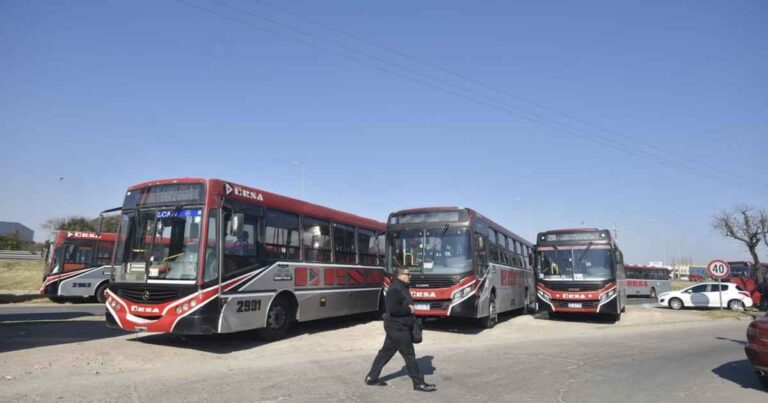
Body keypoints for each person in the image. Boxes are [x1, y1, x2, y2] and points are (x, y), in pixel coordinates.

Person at [365, 267, 436, 392]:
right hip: (397, 327)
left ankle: (371, 377)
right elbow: (392, 309)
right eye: (408, 274)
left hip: (398, 326)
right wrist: (409, 310)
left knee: (385, 353)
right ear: (400, 275)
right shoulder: (395, 289)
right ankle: (419, 383)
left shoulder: (402, 287)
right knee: (409, 355)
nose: (410, 276)